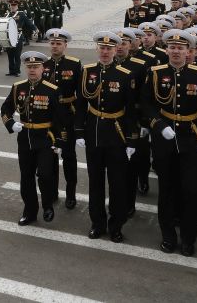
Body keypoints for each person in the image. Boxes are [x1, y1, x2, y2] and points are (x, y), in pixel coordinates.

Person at [141, 29, 197, 256]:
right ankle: (168, 236)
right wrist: (158, 125)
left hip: (191, 138)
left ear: (188, 51)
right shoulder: (155, 73)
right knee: (167, 189)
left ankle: (188, 238)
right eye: (172, 47)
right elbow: (146, 104)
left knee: (191, 190)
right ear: (166, 50)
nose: (176, 51)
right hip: (164, 139)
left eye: (180, 48)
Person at [75, 32, 137, 243]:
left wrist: (131, 139)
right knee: (95, 181)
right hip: (93, 131)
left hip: (116, 133)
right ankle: (97, 223)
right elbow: (81, 105)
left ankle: (116, 225)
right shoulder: (87, 72)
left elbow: (131, 110)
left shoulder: (125, 74)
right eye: (102, 48)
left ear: (115, 50)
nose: (105, 51)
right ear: (97, 49)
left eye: (109, 49)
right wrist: (79, 131)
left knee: (117, 183)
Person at [1, 51, 64, 225]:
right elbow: (5, 108)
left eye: (36, 67)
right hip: (25, 138)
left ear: (43, 68)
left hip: (45, 138)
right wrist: (10, 123)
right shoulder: (18, 87)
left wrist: (60, 140)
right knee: (26, 178)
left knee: (45, 174)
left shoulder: (52, 90)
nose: (32, 70)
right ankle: (29, 211)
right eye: (29, 67)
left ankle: (48, 205)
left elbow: (60, 119)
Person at [42, 28, 83, 208]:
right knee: (50, 156)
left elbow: (81, 94)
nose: (55, 46)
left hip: (67, 114)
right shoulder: (44, 64)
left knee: (68, 156)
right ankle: (52, 192)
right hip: (49, 116)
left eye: (58, 43)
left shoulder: (74, 64)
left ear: (65, 45)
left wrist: (80, 120)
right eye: (52, 43)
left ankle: (71, 193)